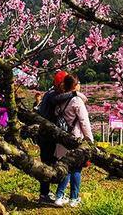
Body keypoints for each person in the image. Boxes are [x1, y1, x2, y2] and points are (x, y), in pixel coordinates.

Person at [53, 75, 93, 208]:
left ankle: (59, 196)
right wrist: (90, 140)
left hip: (62, 138)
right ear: (75, 86)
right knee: (76, 169)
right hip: (75, 139)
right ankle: (74, 198)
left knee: (66, 168)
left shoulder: (60, 100)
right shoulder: (76, 100)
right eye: (79, 83)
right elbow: (84, 122)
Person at [35, 70, 76, 203]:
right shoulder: (52, 94)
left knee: (49, 163)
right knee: (47, 163)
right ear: (60, 84)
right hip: (47, 135)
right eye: (65, 84)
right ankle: (44, 194)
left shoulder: (51, 93)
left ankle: (46, 193)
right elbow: (56, 100)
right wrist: (75, 93)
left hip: (47, 134)